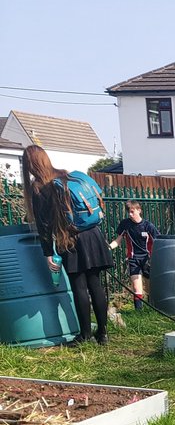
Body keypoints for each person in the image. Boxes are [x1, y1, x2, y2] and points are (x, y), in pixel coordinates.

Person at [21, 145, 112, 345]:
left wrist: (47, 254)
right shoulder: (65, 175)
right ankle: (103, 334)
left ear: (29, 165)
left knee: (79, 286)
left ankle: (85, 335)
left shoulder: (39, 187)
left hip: (69, 239)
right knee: (95, 284)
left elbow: (44, 226)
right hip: (93, 234)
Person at [109, 201, 162, 309]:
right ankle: (138, 313)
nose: (130, 214)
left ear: (139, 210)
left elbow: (158, 242)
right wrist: (108, 248)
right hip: (133, 259)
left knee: (149, 289)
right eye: (128, 211)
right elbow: (118, 241)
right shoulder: (125, 224)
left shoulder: (148, 226)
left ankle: (153, 309)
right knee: (136, 287)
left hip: (147, 259)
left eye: (132, 211)